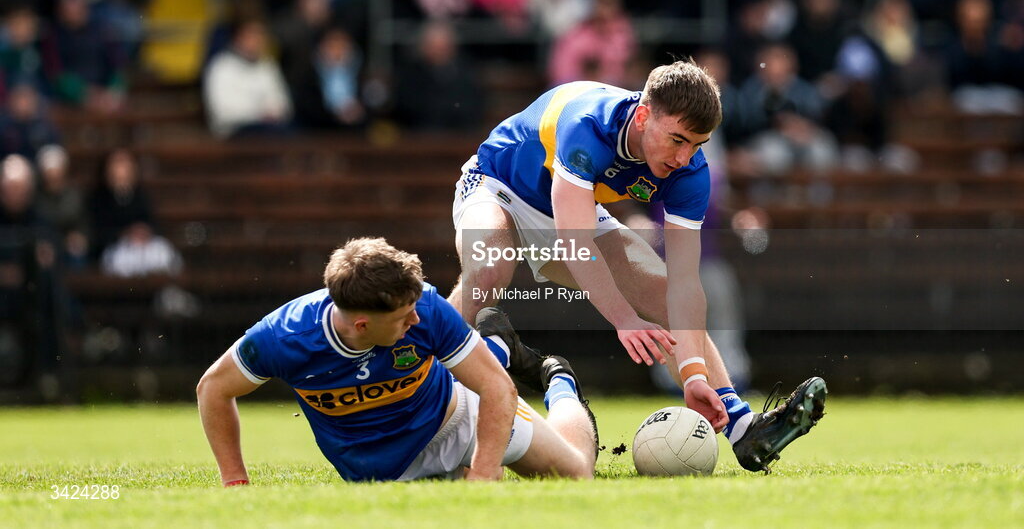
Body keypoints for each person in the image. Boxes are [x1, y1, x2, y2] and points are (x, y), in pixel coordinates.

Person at [449, 59, 826, 472]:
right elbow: (576, 243)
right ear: (644, 116)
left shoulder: (690, 173)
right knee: (487, 271)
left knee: (658, 287)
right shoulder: (588, 125)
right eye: (678, 140)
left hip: (574, 204)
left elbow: (684, 283)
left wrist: (693, 371)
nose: (685, 157)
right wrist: (624, 318)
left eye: (697, 145)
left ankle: (741, 428)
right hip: (498, 185)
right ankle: (415, 378)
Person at [197, 237, 597, 484]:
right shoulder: (284, 337)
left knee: (577, 473)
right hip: (377, 471)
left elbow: (497, 387)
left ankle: (557, 378)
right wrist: (235, 482)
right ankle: (495, 346)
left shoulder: (425, 305)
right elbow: (213, 389)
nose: (417, 319)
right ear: (363, 323)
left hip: (456, 419)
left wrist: (484, 470)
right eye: (403, 318)